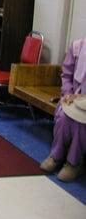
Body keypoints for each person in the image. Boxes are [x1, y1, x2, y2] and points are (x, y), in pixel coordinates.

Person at [40, 37, 86, 181]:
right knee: (64, 117)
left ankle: (74, 163)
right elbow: (66, 75)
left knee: (81, 124)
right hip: (73, 97)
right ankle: (56, 156)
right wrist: (68, 94)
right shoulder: (78, 46)